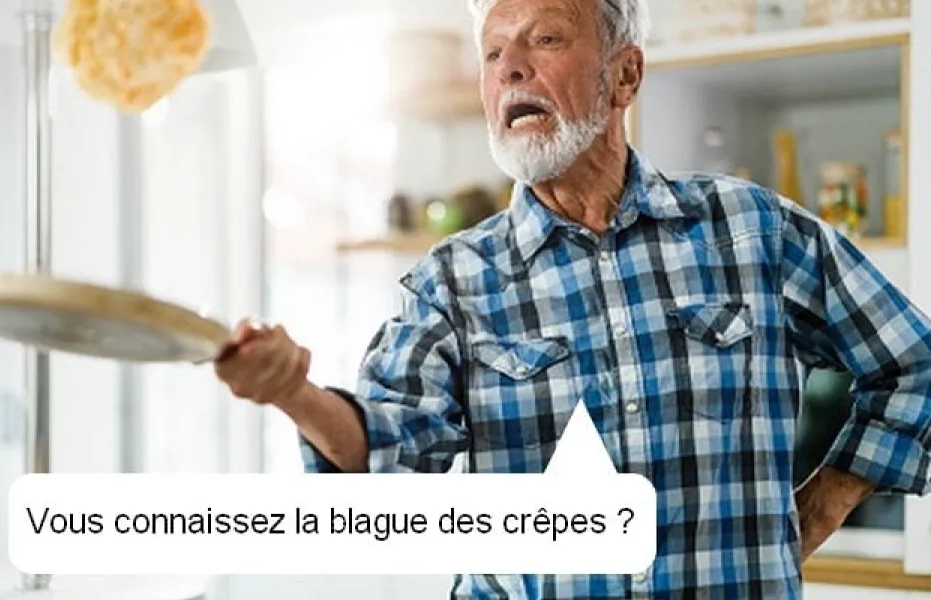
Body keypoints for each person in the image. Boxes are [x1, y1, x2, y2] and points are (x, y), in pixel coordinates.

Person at [213, 0, 931, 597]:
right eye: (492, 53)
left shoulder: (754, 231)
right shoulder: (454, 282)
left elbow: (913, 363)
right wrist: (296, 394)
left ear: (625, 76)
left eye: (545, 38)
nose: (511, 68)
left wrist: (819, 505)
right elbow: (384, 463)